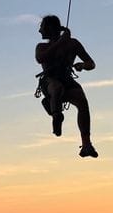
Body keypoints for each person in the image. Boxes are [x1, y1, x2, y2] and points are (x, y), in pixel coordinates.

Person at [35, 15, 98, 158]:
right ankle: (56, 115)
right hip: (49, 81)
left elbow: (91, 63)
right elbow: (41, 58)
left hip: (67, 80)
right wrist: (60, 42)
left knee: (82, 102)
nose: (39, 31)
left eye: (41, 27)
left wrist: (82, 65)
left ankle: (86, 144)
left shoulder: (73, 44)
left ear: (49, 28)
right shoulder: (41, 47)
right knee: (56, 88)